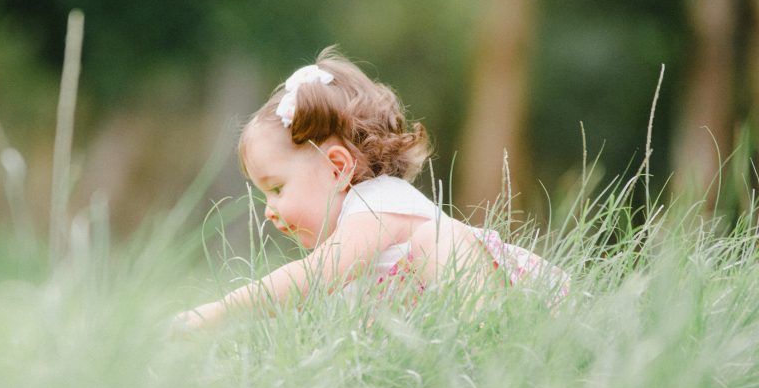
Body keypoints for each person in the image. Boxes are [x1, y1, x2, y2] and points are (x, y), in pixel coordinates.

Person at [177, 48, 567, 329]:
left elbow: (312, 276)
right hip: (447, 337)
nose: (268, 209)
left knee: (436, 237)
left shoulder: (378, 203)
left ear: (338, 168)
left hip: (523, 312)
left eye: (277, 188)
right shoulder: (356, 241)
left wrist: (218, 312)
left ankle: (496, 332)